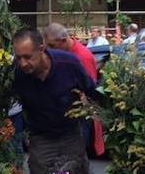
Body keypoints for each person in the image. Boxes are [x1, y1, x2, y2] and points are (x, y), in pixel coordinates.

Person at [11, 28, 98, 174]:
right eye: (18, 57)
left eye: (28, 57)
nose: (23, 63)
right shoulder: (17, 73)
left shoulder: (68, 63)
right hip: (40, 138)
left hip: (71, 135)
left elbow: (92, 90)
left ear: (41, 49)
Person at [43, 22, 103, 156]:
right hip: (62, 116)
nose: (49, 50)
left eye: (52, 46)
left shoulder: (82, 56)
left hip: (78, 118)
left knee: (74, 160)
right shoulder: (61, 53)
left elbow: (88, 92)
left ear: (63, 41)